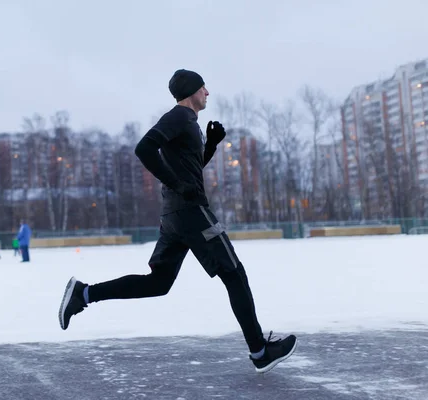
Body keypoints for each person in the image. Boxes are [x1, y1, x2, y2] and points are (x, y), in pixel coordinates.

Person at [58, 69, 297, 374]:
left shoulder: (188, 124)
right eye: (203, 87)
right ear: (191, 91)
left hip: (175, 214)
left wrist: (209, 146)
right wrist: (176, 183)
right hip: (190, 211)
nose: (208, 92)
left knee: (159, 282)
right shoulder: (179, 117)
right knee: (234, 273)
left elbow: (189, 171)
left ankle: (85, 293)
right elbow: (144, 148)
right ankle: (260, 350)